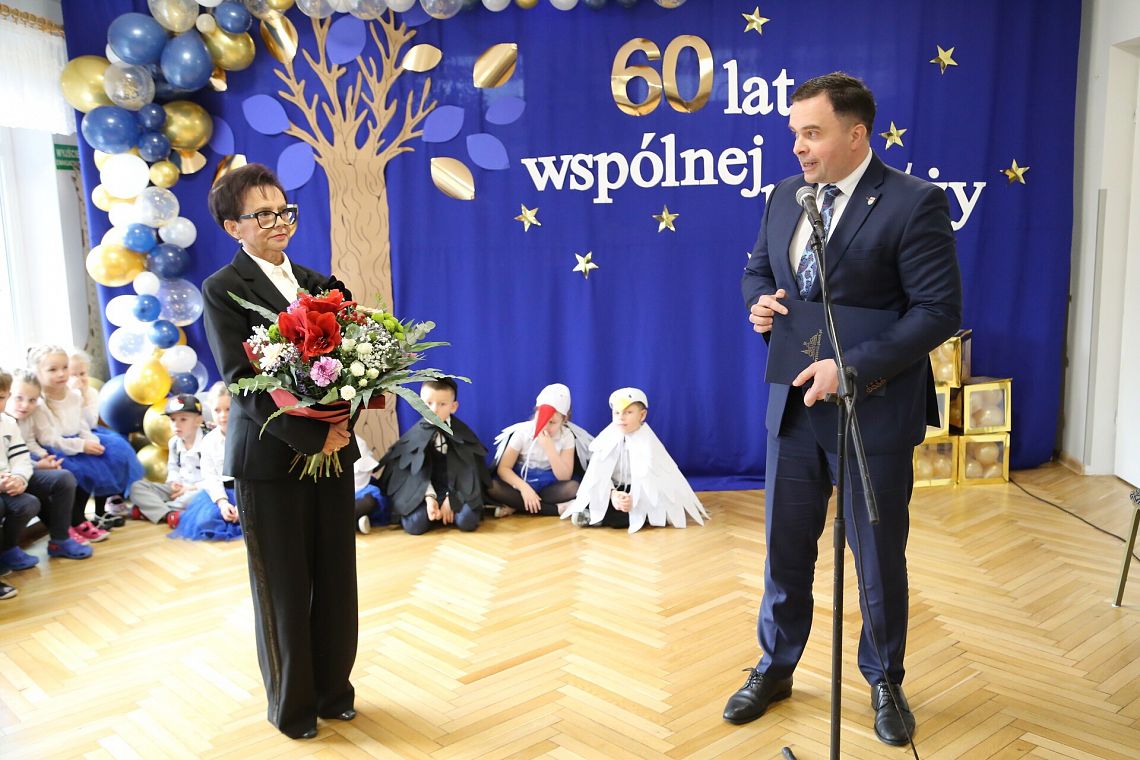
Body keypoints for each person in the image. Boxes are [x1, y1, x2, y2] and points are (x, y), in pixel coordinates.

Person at [724, 72, 961, 746]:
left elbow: (938, 311)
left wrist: (850, 369)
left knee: (878, 558)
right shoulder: (784, 196)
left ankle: (885, 680)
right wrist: (760, 302)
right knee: (784, 549)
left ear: (856, 135)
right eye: (795, 133)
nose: (798, 146)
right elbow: (758, 270)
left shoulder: (914, 202)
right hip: (793, 410)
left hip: (872, 415)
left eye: (812, 133)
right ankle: (775, 667)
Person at [201, 162, 360, 740]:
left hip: (333, 453)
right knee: (284, 589)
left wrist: (339, 424)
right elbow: (242, 380)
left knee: (335, 578)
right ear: (233, 227)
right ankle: (292, 708)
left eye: (284, 211)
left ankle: (334, 691)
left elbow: (357, 368)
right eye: (262, 215)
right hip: (268, 460)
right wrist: (311, 434)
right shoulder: (223, 289)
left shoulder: (323, 285)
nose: (279, 222)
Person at [562, 387, 707, 532]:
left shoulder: (649, 444)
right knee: (595, 498)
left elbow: (655, 482)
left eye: (628, 412)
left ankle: (598, 518)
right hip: (615, 488)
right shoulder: (606, 440)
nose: (621, 417)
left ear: (642, 415)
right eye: (617, 413)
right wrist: (613, 495)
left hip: (641, 491)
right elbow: (597, 475)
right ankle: (599, 513)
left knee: (644, 511)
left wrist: (635, 497)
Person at [376, 379, 490, 535]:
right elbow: (414, 474)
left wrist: (452, 499)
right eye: (428, 403)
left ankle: (448, 512)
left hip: (457, 491)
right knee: (414, 525)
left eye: (442, 404)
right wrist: (429, 498)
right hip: (424, 492)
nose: (434, 410)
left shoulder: (463, 433)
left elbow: (468, 472)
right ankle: (435, 512)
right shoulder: (413, 436)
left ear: (453, 407)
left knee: (467, 521)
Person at [2, 370, 91, 561]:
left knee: (64, 477)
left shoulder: (18, 420)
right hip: (12, 474)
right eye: (19, 398)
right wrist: (36, 464)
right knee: (34, 497)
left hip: (21, 470)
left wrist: (42, 460)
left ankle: (60, 539)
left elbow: (25, 449)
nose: (25, 405)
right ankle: (8, 549)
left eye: (32, 400)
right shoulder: (8, 421)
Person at [487, 383, 592, 518]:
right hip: (521, 481)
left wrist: (549, 448)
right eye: (541, 419)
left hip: (548, 484)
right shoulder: (522, 432)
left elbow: (564, 477)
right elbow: (504, 468)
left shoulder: (566, 436)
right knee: (492, 487)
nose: (545, 427)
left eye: (552, 422)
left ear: (564, 420)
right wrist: (525, 489)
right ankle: (556, 510)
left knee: (573, 488)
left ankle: (517, 505)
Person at [169, 383, 242, 542]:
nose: (223, 415)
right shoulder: (208, 441)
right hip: (223, 491)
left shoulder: (245, 436)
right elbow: (210, 476)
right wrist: (222, 503)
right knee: (206, 521)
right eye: (217, 410)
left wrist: (242, 506)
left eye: (228, 409)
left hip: (245, 490)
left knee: (253, 517)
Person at [68, 348, 129, 524]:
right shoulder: (63, 396)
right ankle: (79, 517)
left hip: (89, 432)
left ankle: (101, 510)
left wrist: (83, 397)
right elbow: (70, 423)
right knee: (89, 465)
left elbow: (90, 421)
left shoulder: (92, 393)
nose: (79, 378)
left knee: (113, 454)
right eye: (73, 374)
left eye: (82, 373)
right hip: (69, 436)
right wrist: (74, 397)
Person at [130, 393, 207, 527]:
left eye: (183, 419)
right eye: (172, 420)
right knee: (137, 487)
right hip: (180, 488)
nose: (176, 424)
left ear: (198, 420)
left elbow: (218, 478)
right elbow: (173, 467)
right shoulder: (174, 443)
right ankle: (168, 513)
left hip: (200, 488)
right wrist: (174, 482)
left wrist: (191, 488)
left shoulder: (209, 441)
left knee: (200, 497)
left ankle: (153, 510)